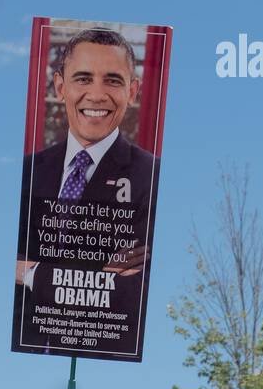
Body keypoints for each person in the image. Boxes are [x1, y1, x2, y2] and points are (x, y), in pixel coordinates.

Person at [13, 27, 159, 355]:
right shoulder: (25, 172)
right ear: (60, 86)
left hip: (100, 352)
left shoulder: (152, 178)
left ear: (132, 91)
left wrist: (29, 272)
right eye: (83, 79)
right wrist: (94, 278)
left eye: (112, 80)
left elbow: (127, 294)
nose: (96, 95)